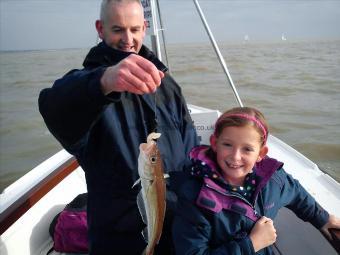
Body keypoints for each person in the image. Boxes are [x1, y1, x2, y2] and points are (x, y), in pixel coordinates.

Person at [38, 0, 198, 254]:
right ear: (100, 29)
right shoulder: (89, 87)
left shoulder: (167, 85)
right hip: (118, 238)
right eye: (117, 29)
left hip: (179, 229)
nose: (128, 39)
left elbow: (191, 147)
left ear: (145, 27)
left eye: (134, 29)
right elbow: (52, 105)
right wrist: (105, 81)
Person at [171, 106, 340, 254]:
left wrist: (323, 219)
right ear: (215, 144)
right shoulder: (194, 197)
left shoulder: (273, 180)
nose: (235, 156)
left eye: (247, 149)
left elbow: (296, 192)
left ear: (261, 154)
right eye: (227, 145)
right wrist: (252, 244)